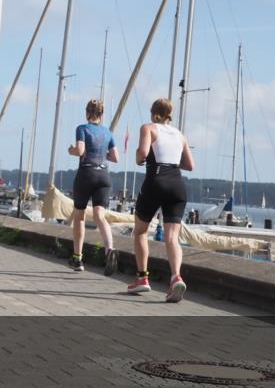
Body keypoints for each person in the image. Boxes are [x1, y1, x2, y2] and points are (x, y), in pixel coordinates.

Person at [129, 98, 195, 302]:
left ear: (153, 113)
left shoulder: (148, 128)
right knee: (172, 238)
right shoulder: (180, 135)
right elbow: (190, 165)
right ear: (169, 114)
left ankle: (142, 278)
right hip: (177, 183)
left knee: (140, 231)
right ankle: (176, 277)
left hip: (156, 180)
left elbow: (143, 153)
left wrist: (139, 159)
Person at [66, 99, 120, 274]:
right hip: (104, 177)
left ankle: (78, 258)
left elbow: (80, 151)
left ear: (87, 113)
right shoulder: (108, 132)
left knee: (79, 216)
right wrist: (100, 151)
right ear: (101, 114)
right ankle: (109, 248)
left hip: (86, 174)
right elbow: (115, 157)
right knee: (99, 216)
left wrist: (71, 150)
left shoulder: (82, 129)